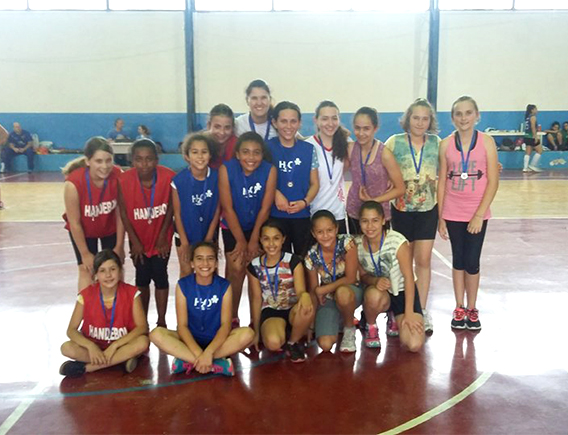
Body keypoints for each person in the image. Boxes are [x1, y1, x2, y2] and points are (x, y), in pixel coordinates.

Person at [438, 96, 499, 331]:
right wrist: (441, 217)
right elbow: (442, 182)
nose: (463, 118)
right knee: (458, 259)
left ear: (477, 115)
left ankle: (472, 308)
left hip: (477, 212)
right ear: (453, 118)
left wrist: (479, 214)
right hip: (453, 211)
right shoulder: (446, 144)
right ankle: (459, 307)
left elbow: (493, 181)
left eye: (468, 113)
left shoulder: (487, 142)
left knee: (472, 261)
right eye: (458, 114)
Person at [149, 242, 254, 376]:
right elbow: (182, 326)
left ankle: (188, 361)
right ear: (192, 263)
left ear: (216, 264)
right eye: (199, 258)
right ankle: (215, 364)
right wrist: (200, 354)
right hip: (190, 340)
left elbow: (225, 326)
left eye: (210, 258)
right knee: (156, 334)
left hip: (216, 341)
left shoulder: (224, 286)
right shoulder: (183, 285)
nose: (205, 263)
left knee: (248, 334)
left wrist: (209, 352)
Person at [384, 98, 440, 335]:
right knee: (400, 263)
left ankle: (422, 310)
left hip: (428, 210)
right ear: (408, 119)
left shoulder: (437, 143)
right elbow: (379, 166)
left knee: (423, 261)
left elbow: (452, 167)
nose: (420, 122)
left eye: (425, 118)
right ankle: (395, 311)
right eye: (416, 117)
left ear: (430, 121)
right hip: (401, 211)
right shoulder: (394, 142)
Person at [59, 250, 149, 377]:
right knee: (66, 348)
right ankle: (120, 360)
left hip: (122, 345)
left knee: (142, 342)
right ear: (95, 274)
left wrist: (115, 346)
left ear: (120, 271)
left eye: (112, 269)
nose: (108, 275)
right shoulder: (85, 296)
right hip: (95, 347)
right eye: (102, 271)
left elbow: (142, 327)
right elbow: (71, 330)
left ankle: (87, 368)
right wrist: (90, 346)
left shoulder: (132, 293)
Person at [219, 132, 277, 325]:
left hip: (257, 226)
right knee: (236, 269)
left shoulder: (269, 170)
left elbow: (265, 208)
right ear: (237, 154)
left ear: (262, 154)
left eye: (256, 152)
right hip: (233, 226)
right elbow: (227, 208)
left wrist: (253, 240)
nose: (251, 157)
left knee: (255, 271)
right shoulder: (226, 169)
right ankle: (231, 316)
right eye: (245, 152)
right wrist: (241, 241)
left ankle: (256, 319)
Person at [118, 139, 175, 328]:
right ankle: (142, 322)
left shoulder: (168, 177)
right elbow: (124, 213)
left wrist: (163, 236)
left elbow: (171, 208)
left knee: (160, 275)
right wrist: (134, 242)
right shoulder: (124, 180)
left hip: (161, 238)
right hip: (138, 239)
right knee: (142, 277)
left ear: (156, 160)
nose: (144, 164)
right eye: (139, 159)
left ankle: (161, 320)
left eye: (149, 159)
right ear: (132, 160)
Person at [355, 201, 425, 351]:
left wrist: (409, 312)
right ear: (359, 222)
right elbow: (363, 276)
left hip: (402, 293)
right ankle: (371, 326)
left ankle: (395, 316)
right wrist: (375, 281)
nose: (370, 226)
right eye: (365, 221)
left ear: (383, 220)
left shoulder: (397, 242)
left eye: (375, 220)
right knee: (373, 296)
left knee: (414, 344)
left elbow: (409, 278)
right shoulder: (357, 245)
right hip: (379, 294)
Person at [62, 137, 125, 291]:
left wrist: (119, 246)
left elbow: (121, 214)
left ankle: (117, 304)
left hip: (109, 228)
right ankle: (87, 306)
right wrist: (85, 253)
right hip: (84, 231)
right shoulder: (73, 183)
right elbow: (74, 223)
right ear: (88, 161)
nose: (105, 166)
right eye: (98, 161)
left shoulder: (118, 176)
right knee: (86, 269)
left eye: (108, 160)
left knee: (115, 267)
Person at [248, 220, 314, 362]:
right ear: (260, 240)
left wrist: (305, 298)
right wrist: (256, 331)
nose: (271, 244)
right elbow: (256, 299)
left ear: (283, 239)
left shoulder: (293, 261)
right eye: (266, 239)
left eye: (276, 238)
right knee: (273, 343)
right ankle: (285, 332)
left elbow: (301, 291)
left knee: (306, 304)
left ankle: (292, 342)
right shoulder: (254, 265)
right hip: (271, 311)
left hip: (292, 310)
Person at [267, 101, 320, 255]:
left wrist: (305, 202)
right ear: (274, 123)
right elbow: (261, 178)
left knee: (302, 259)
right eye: (283, 121)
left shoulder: (309, 149)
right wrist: (275, 193)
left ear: (299, 123)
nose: (288, 126)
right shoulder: (266, 148)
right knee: (279, 260)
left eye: (293, 121)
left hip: (301, 215)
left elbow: (315, 183)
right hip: (275, 215)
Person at [304, 210, 360, 353]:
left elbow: (351, 278)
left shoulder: (347, 243)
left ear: (336, 229)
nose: (325, 235)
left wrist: (323, 289)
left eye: (329, 230)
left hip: (352, 290)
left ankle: (349, 329)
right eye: (320, 232)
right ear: (313, 233)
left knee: (342, 293)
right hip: (329, 297)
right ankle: (339, 317)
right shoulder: (311, 256)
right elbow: (314, 291)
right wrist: (311, 324)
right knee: (325, 344)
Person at [346, 107, 405, 234]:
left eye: (366, 128)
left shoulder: (384, 154)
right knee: (358, 246)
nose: (361, 133)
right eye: (357, 128)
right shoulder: (350, 149)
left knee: (379, 247)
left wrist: (373, 201)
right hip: (355, 212)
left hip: (378, 215)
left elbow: (400, 189)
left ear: (375, 128)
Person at [172, 134, 220, 278]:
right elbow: (177, 214)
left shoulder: (217, 178)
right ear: (187, 156)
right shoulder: (178, 180)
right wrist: (184, 242)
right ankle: (184, 294)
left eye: (204, 152)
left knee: (210, 271)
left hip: (208, 232)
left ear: (210, 155)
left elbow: (217, 209)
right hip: (185, 234)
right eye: (195, 152)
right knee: (186, 271)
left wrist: (209, 237)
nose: (200, 156)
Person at [305, 101, 350, 233]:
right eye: (325, 119)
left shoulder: (346, 143)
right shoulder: (308, 146)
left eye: (334, 118)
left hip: (338, 214)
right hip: (314, 212)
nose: (330, 123)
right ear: (316, 120)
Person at [206, 104, 239, 169]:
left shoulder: (238, 146)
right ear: (209, 126)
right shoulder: (201, 143)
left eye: (227, 127)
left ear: (233, 128)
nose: (222, 132)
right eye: (217, 127)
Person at [523, 104, 542, 172]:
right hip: (531, 136)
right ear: (532, 110)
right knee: (539, 151)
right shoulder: (533, 117)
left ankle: (525, 168)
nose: (537, 110)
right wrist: (535, 137)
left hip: (526, 136)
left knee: (528, 152)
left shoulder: (527, 117)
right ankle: (532, 165)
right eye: (535, 109)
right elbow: (533, 127)